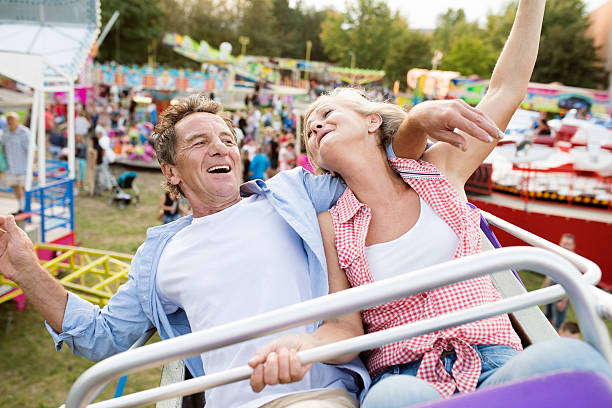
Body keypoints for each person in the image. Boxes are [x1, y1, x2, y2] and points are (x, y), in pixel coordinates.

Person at [0, 93, 502, 407]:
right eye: (199, 142)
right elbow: (103, 338)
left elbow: (382, 164)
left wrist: (415, 120)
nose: (220, 147)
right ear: (171, 172)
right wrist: (25, 267)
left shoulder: (297, 196)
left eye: (226, 138)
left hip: (316, 395)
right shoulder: (159, 257)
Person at [249, 2, 612, 407]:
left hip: (493, 358)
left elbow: (506, 90)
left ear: (371, 121)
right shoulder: (332, 224)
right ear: (314, 159)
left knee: (573, 360)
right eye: (309, 130)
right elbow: (344, 328)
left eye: (326, 113)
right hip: (406, 374)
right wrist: (303, 344)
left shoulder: (439, 171)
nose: (313, 125)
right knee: (395, 400)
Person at [541, 232, 576, 330]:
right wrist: (543, 289)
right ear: (560, 243)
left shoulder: (573, 261)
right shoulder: (556, 256)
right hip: (551, 287)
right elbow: (550, 274)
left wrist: (564, 301)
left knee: (558, 321)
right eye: (564, 243)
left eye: (569, 244)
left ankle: (557, 339)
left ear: (573, 246)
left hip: (562, 291)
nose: (566, 247)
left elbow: (572, 283)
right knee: (546, 316)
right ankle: (545, 334)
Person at [3, 112, 29, 214]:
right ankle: (20, 206)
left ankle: (25, 207)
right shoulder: (6, 132)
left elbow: (32, 149)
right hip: (11, 166)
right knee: (15, 186)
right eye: (8, 119)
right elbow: (4, 146)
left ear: (18, 120)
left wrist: (33, 164)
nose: (10, 122)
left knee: (23, 187)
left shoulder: (24, 132)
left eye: (12, 119)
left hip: (23, 165)